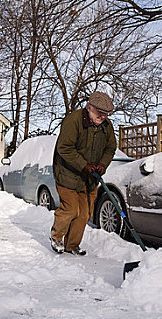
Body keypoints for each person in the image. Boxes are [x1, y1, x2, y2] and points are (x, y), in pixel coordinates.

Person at [49, 91, 117, 255]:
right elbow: (64, 148)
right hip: (68, 174)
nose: (102, 117)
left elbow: (110, 148)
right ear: (89, 108)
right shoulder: (73, 121)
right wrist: (83, 165)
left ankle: (71, 245)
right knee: (71, 209)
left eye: (105, 114)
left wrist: (102, 164)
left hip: (89, 178)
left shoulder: (106, 126)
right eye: (99, 113)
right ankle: (56, 237)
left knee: (85, 213)